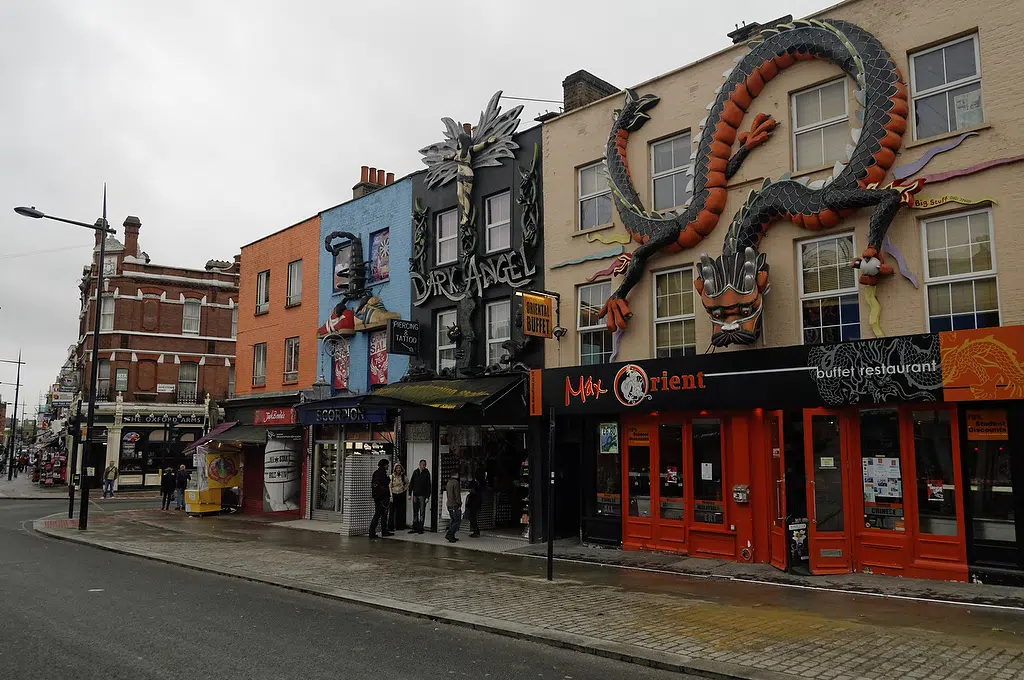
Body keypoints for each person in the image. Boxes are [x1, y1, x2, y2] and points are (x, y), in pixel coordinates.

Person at [368, 459, 392, 539]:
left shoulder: (377, 473)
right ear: (384, 465)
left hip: (378, 497)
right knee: (379, 515)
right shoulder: (381, 474)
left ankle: (377, 531)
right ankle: (374, 531)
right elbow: (381, 485)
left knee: (380, 515)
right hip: (382, 498)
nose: (388, 466)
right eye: (387, 465)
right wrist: (385, 491)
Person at [407, 459, 431, 534]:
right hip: (415, 494)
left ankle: (421, 528)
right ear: (419, 464)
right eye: (422, 464)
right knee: (415, 511)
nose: (423, 466)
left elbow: (428, 486)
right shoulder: (415, 472)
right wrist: (410, 494)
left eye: (424, 465)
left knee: (422, 511)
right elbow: (411, 483)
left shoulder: (426, 473)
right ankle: (415, 527)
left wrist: (427, 496)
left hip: (422, 495)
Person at [388, 463, 408, 532]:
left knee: (400, 511)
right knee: (392, 511)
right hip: (393, 494)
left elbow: (407, 483)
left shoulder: (403, 476)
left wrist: (404, 489)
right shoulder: (392, 476)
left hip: (400, 494)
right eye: (397, 468)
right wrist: (390, 496)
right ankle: (390, 526)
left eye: (399, 468)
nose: (398, 469)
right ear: (395, 469)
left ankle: (399, 526)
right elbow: (389, 486)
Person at [465, 467, 485, 538]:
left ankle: (476, 531)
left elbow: (469, 487)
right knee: (473, 516)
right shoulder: (483, 482)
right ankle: (476, 530)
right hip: (478, 501)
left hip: (473, 501)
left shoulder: (475, 482)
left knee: (472, 516)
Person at [444, 472, 462, 543]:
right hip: (454, 505)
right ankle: (449, 534)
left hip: (449, 504)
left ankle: (452, 536)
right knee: (457, 520)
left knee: (453, 520)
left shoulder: (448, 483)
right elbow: (457, 495)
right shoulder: (456, 483)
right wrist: (459, 503)